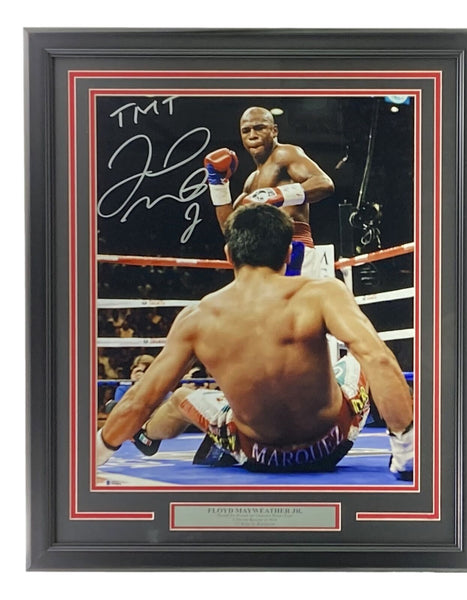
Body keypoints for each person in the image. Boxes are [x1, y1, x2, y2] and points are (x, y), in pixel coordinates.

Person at [96, 204, 414, 479]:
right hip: (332, 441)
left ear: (228, 255)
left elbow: (140, 399)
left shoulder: (197, 318)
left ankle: (146, 436)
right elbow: (378, 359)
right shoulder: (322, 294)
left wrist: (92, 457)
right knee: (363, 355)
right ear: (288, 253)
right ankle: (405, 449)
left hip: (259, 455)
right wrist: (407, 454)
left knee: (182, 397)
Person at [204, 106, 335, 277]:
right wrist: (218, 185)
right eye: (246, 131)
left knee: (295, 296)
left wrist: (274, 195)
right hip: (262, 255)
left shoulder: (285, 153)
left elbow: (324, 183)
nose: (252, 135)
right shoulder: (251, 181)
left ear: (274, 131)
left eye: (259, 128)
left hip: (293, 247)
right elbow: (230, 229)